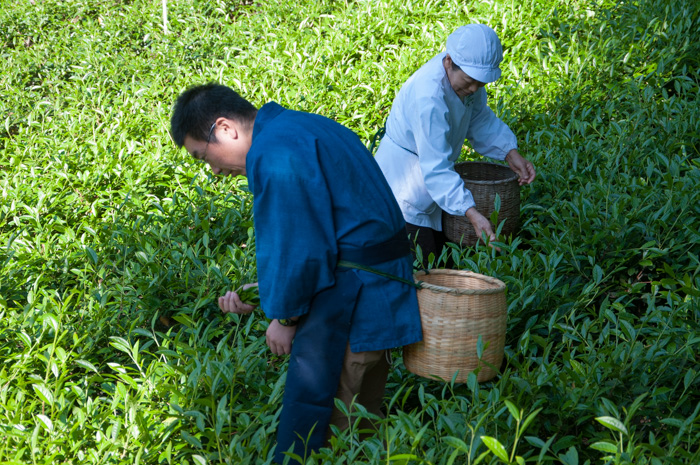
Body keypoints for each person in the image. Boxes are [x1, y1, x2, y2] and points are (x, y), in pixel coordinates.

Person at [169, 83, 422, 463]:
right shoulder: (303, 127)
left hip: (356, 304)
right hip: (377, 292)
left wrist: (285, 316)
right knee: (363, 420)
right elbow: (333, 236)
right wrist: (262, 293)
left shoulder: (275, 154)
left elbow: (302, 248)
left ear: (224, 128)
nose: (214, 170)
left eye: (204, 156)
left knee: (335, 433)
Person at [374, 24, 536, 266]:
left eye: (480, 84)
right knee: (426, 268)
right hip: (405, 186)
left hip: (435, 182)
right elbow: (436, 168)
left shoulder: (469, 82)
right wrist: (471, 212)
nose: (473, 90)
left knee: (444, 259)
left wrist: (509, 152)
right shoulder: (428, 97)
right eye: (470, 82)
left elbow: (479, 119)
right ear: (449, 61)